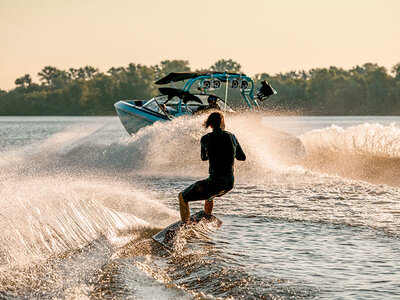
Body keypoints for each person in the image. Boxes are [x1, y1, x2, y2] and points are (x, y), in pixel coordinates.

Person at [178, 112, 246, 223]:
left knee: (182, 197)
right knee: (209, 194)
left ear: (210, 125)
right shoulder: (232, 136)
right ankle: (207, 216)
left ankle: (185, 226)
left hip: (215, 183)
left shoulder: (206, 138)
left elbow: (204, 158)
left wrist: (212, 151)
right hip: (229, 183)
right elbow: (242, 157)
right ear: (222, 123)